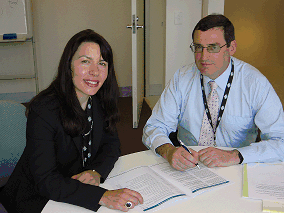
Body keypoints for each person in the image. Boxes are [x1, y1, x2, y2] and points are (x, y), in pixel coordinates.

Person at [0, 29, 143, 212]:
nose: (94, 71)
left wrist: (96, 171)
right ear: (69, 66)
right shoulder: (44, 110)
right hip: (37, 197)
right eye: (85, 61)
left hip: (73, 189)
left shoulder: (100, 100)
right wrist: (102, 196)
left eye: (102, 63)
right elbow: (46, 181)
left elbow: (111, 144)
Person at [142, 14, 284, 171]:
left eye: (213, 47)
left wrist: (235, 155)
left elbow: (280, 141)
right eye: (198, 47)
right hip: (187, 164)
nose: (203, 57)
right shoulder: (182, 78)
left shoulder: (255, 83)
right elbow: (154, 126)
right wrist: (168, 151)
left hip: (235, 166)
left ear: (232, 48)